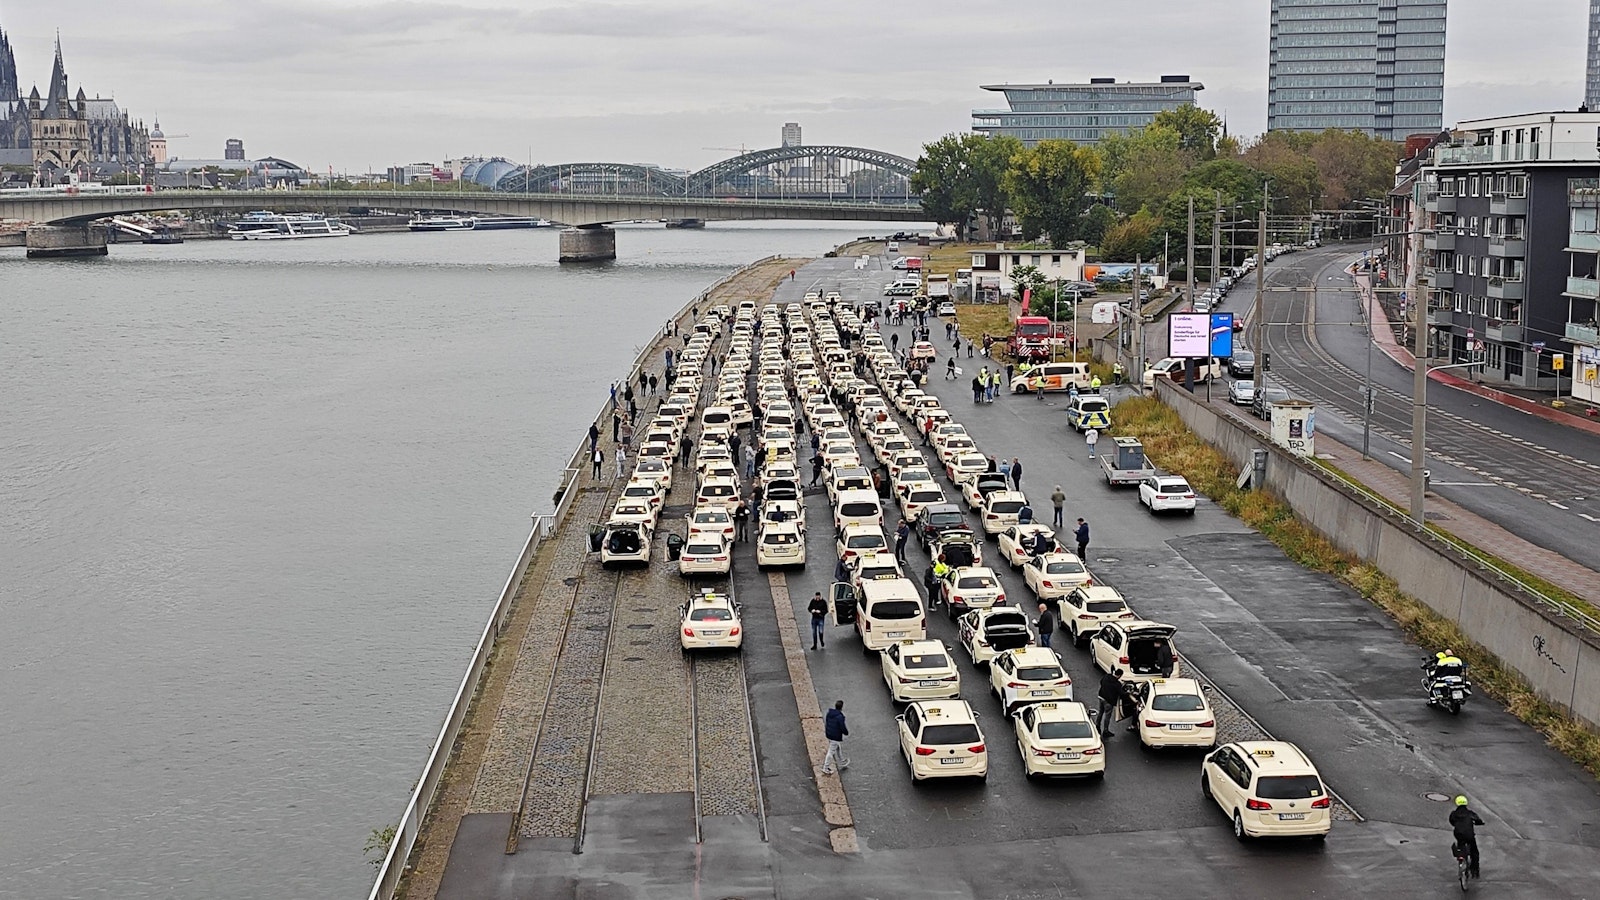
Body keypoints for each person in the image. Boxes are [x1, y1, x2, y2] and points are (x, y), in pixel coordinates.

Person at [1449, 795, 1485, 879]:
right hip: (1469, 834)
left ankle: (1460, 856)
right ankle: (1475, 870)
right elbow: (1478, 820)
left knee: (1460, 844)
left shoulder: (1454, 814)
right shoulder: (1470, 813)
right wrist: (1480, 823)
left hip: (1458, 834)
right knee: (1474, 851)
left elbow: (1451, 821)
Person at [821, 700, 849, 775]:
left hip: (829, 734)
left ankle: (842, 760)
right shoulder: (840, 717)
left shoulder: (829, 713)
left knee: (837, 747)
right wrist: (846, 732)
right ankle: (825, 768)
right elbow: (842, 727)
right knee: (831, 752)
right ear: (841, 707)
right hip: (835, 736)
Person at [1096, 667, 1125, 736]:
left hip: (1101, 697)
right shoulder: (1117, 684)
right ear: (1119, 675)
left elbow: (1101, 682)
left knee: (1101, 712)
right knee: (1107, 716)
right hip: (1109, 701)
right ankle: (1105, 731)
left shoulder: (1106, 676)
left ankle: (1097, 725)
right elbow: (1121, 694)